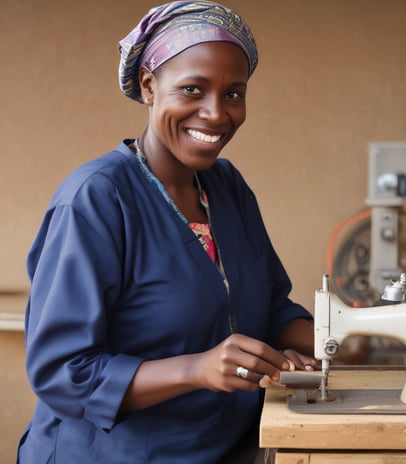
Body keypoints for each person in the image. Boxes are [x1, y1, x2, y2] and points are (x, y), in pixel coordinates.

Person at [17, 2, 315, 463]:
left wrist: (339, 339)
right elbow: (62, 372)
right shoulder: (96, 199)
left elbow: (271, 308)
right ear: (149, 86)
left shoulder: (227, 187)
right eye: (193, 89)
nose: (216, 114)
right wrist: (198, 369)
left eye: (234, 94)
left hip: (223, 449)